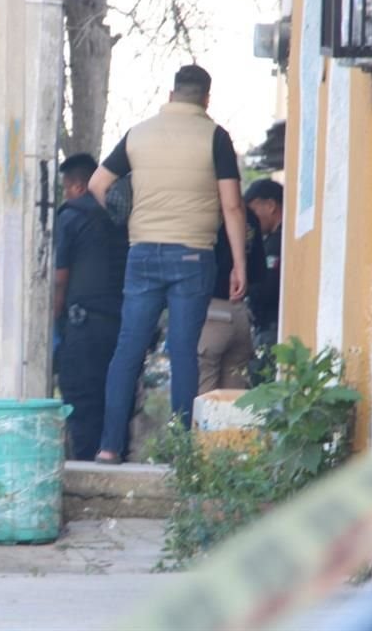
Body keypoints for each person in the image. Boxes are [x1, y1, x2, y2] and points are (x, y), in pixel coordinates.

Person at [88, 64, 248, 463]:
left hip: (142, 252)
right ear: (206, 99)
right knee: (183, 352)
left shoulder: (137, 135)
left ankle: (109, 447)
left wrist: (126, 215)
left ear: (172, 94)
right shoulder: (216, 137)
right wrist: (239, 265)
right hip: (193, 255)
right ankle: (181, 451)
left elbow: (97, 184)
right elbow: (231, 204)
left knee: (128, 349)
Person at [53, 153, 129, 460]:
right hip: (120, 327)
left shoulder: (70, 216)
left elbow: (60, 279)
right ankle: (113, 456)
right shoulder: (120, 218)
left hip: (82, 327)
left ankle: (87, 466)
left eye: (66, 188)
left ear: (77, 187)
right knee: (112, 399)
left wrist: (53, 323)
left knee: (82, 405)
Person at [197, 207, 266, 394]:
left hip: (210, 314)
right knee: (234, 400)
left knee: (204, 399)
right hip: (240, 313)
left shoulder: (204, 210)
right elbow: (260, 273)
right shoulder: (249, 216)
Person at [244, 178, 283, 349]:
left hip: (273, 329)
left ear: (270, 206)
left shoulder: (279, 243)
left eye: (253, 211)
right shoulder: (271, 241)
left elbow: (267, 288)